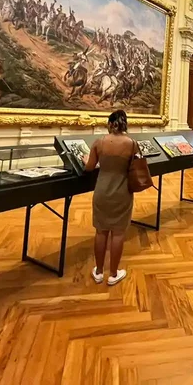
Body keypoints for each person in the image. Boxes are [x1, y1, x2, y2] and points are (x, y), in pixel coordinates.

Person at [83, 109, 134, 286]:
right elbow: (135, 167)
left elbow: (89, 167)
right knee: (118, 232)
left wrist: (85, 160)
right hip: (122, 192)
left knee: (101, 231)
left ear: (110, 124)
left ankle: (98, 271)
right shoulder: (131, 144)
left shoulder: (99, 142)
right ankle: (113, 273)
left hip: (102, 191)